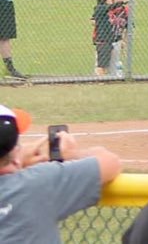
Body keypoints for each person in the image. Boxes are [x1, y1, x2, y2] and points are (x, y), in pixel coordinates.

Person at [0, 104, 122, 243]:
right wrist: (73, 154)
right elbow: (111, 162)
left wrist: (17, 161)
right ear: (14, 151)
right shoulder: (38, 183)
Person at [90, 0, 128, 77]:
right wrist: (121, 3)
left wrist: (123, 39)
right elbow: (108, 8)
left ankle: (106, 79)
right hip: (103, 40)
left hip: (111, 40)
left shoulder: (112, 11)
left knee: (110, 65)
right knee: (101, 65)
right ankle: (100, 80)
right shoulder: (100, 8)